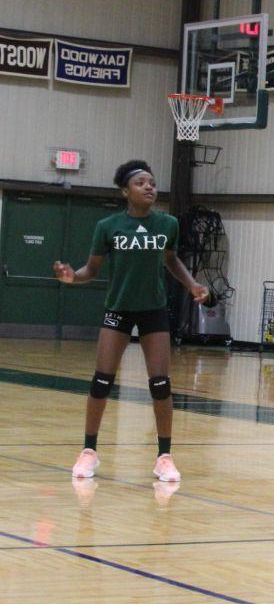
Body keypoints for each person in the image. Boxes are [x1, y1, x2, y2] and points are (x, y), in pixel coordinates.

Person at [53, 160, 208, 483]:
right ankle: (88, 452)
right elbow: (91, 270)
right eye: (141, 183)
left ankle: (164, 457)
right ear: (126, 191)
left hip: (153, 310)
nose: (149, 187)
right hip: (118, 309)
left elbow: (171, 260)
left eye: (152, 182)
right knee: (101, 382)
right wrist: (73, 277)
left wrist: (191, 284)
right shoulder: (108, 227)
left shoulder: (167, 225)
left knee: (161, 385)